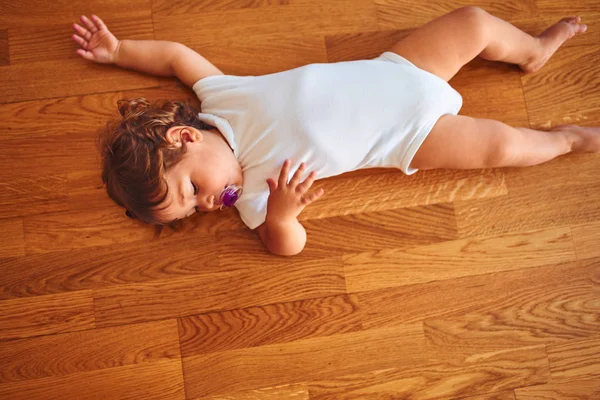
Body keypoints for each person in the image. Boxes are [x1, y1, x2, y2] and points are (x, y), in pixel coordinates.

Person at [71, 8, 598, 256]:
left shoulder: (220, 97)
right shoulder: (256, 195)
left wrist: (118, 52)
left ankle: (532, 51)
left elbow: (175, 57)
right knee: (504, 145)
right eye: (189, 213)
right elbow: (287, 247)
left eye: (190, 191)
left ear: (183, 139)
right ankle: (567, 139)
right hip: (412, 133)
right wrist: (284, 217)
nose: (205, 206)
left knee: (475, 21)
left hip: (401, 69)